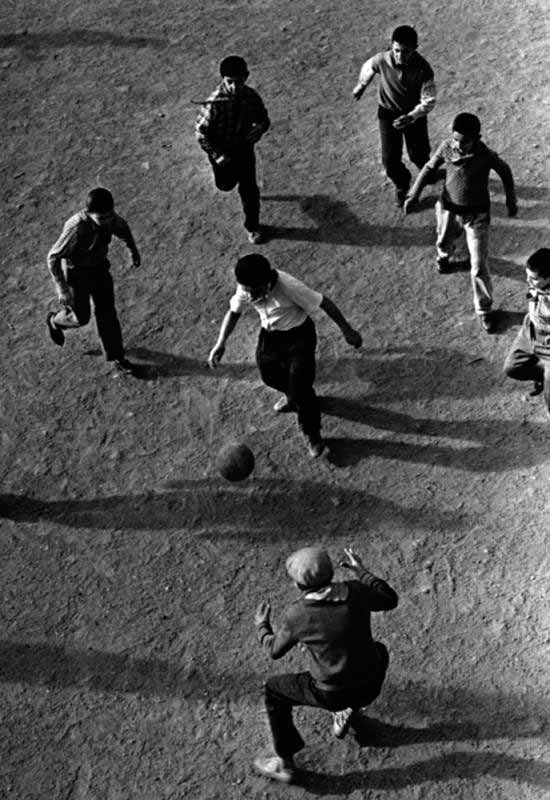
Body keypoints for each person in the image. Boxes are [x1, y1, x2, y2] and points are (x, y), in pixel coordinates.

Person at [252, 545, 398, 784]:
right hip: (371, 683)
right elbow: (389, 599)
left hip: (331, 693)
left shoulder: (298, 614)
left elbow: (273, 650)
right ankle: (349, 710)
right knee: (379, 649)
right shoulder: (356, 591)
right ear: (331, 573)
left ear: (299, 585)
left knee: (273, 690)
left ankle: (284, 762)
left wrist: (262, 626)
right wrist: (361, 571)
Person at [208, 254, 362, 457]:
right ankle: (293, 396)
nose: (248, 295)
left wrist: (348, 331)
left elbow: (324, 302)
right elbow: (234, 311)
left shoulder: (289, 287)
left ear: (265, 283)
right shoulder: (247, 285)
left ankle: (313, 435)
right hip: (270, 337)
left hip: (299, 338)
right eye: (245, 289)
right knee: (268, 375)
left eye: (252, 290)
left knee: (302, 388)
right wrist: (221, 343)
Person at [404, 112, 517, 333]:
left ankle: (484, 311)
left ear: (477, 138)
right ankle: (443, 257)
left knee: (478, 264)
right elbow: (429, 168)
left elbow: (505, 172)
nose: (458, 145)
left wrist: (511, 201)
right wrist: (413, 194)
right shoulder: (447, 147)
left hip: (477, 216)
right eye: (455, 138)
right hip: (449, 209)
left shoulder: (486, 156)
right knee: (444, 238)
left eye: (464, 141)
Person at [46, 187, 141, 375]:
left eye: (109, 215)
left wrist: (133, 250)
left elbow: (123, 229)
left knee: (107, 313)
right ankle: (55, 321)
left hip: (99, 269)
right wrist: (62, 288)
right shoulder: (76, 227)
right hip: (77, 275)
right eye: (101, 218)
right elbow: (53, 257)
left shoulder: (110, 218)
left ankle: (117, 357)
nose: (107, 221)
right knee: (81, 317)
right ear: (89, 214)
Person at [353, 25, 436, 207]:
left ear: (415, 48)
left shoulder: (424, 69)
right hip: (388, 113)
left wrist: (412, 116)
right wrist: (361, 85)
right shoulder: (382, 59)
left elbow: (429, 100)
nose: (399, 56)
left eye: (406, 52)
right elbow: (369, 67)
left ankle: (427, 172)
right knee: (389, 160)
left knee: (418, 154)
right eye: (396, 50)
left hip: (414, 115)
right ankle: (402, 183)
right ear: (390, 46)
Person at [196, 55, 270, 244]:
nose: (234, 87)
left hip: (244, 148)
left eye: (239, 81)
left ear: (246, 76)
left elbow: (263, 118)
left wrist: (260, 128)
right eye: (230, 82)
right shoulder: (214, 103)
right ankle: (220, 171)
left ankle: (253, 226)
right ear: (223, 79)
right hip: (222, 150)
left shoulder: (251, 96)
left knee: (249, 189)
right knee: (226, 185)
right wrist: (216, 155)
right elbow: (201, 133)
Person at [503, 249, 550, 411]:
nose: (528, 280)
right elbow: (531, 297)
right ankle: (541, 374)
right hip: (531, 329)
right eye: (527, 275)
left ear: (548, 278)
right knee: (512, 368)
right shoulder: (535, 284)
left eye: (534, 278)